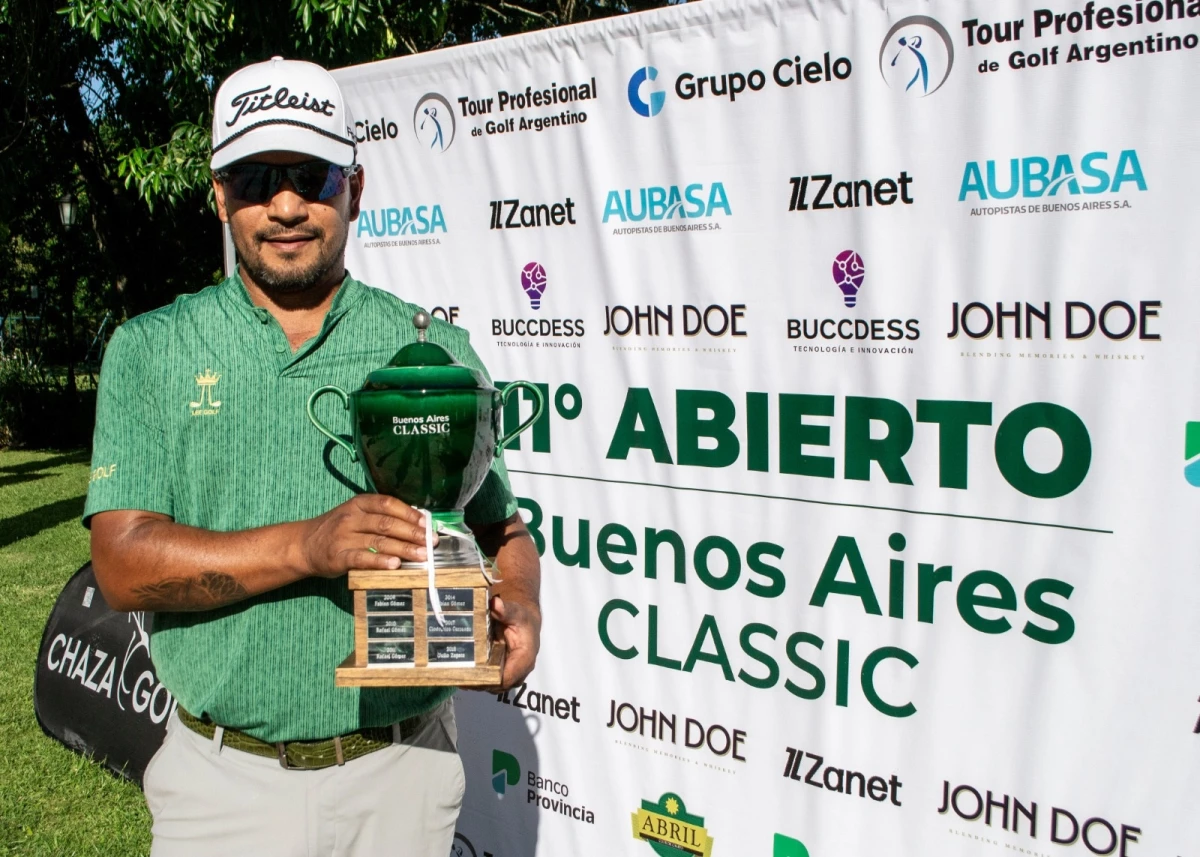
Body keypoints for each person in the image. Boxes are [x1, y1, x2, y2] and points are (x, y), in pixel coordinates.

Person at [85, 56, 541, 856]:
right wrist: (308, 544)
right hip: (221, 779)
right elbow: (121, 565)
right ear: (219, 193)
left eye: (313, 176)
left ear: (354, 191)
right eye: (257, 178)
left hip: (399, 770)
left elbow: (500, 528)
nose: (287, 204)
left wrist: (521, 603)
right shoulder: (149, 348)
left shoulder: (430, 347)